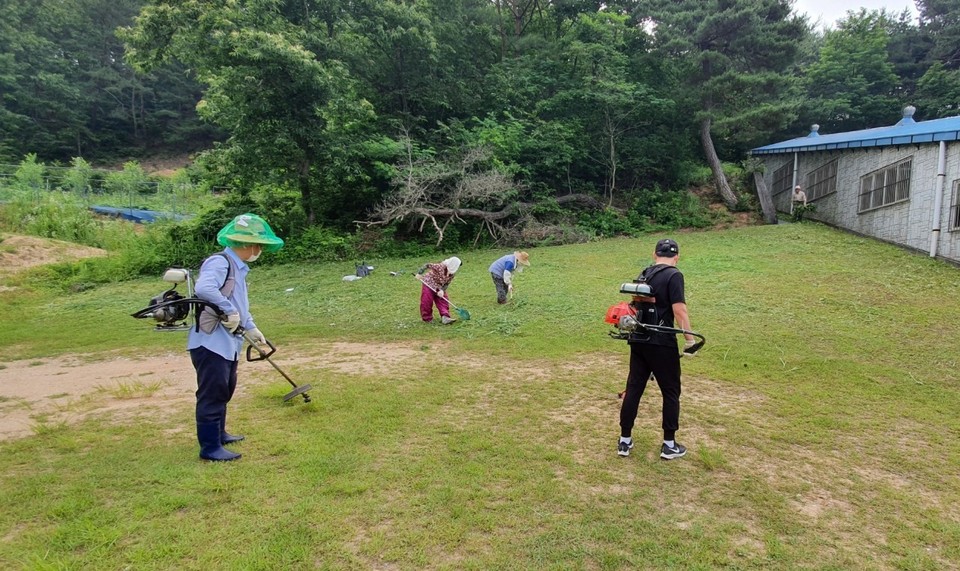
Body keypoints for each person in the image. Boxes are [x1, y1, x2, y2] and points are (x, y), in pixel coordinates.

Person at [187, 213, 284, 462]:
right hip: (210, 342)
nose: (260, 249)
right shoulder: (220, 262)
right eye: (258, 244)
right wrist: (228, 311)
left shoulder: (238, 268)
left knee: (225, 388)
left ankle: (220, 434)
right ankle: (209, 447)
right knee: (212, 393)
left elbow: (239, 304)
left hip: (228, 341)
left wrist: (251, 327)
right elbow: (204, 289)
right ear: (245, 244)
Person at [618, 238, 696, 460]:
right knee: (670, 391)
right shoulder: (674, 275)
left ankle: (624, 441)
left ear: (655, 254)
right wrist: (690, 340)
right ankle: (669, 444)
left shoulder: (646, 273)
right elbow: (679, 309)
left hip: (639, 338)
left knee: (634, 388)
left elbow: (636, 301)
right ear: (677, 256)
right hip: (662, 342)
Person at [415, 257, 462, 324]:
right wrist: (419, 273)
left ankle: (445, 317)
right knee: (427, 300)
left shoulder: (452, 273)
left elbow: (447, 283)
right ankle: (427, 319)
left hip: (439, 286)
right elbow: (427, 265)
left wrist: (442, 290)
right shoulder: (440, 266)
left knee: (443, 300)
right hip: (429, 283)